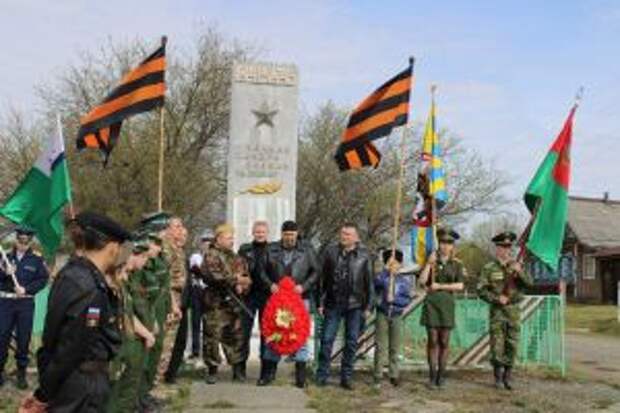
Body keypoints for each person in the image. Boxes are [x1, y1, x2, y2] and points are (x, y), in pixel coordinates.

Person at [21, 211, 131, 412]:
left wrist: (45, 389)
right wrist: (43, 395)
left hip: (74, 381)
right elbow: (71, 347)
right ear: (112, 247)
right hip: (81, 386)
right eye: (121, 246)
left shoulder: (74, 274)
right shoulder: (87, 285)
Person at [316, 223, 374, 390]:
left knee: (351, 342)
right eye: (342, 233)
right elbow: (322, 280)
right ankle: (322, 375)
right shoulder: (330, 252)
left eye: (348, 234)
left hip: (355, 306)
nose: (344, 237)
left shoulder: (364, 256)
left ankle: (346, 378)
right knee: (327, 340)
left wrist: (369, 306)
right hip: (333, 304)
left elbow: (369, 284)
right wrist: (320, 302)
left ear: (356, 238)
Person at [260, 220, 318, 388]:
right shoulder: (270, 249)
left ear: (297, 234)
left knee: (300, 335)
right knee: (274, 333)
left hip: (300, 299)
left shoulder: (307, 250)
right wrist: (270, 284)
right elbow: (261, 270)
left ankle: (301, 377)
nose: (289, 238)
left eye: (292, 235)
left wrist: (304, 286)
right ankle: (268, 374)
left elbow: (316, 271)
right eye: (286, 234)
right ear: (281, 234)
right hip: (277, 299)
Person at [477, 231, 533, 390]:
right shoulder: (489, 268)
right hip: (497, 312)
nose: (506, 250)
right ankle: (498, 377)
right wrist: (496, 298)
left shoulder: (517, 265)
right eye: (502, 247)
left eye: (508, 247)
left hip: (513, 311)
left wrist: (519, 271)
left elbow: (530, 283)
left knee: (512, 344)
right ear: (497, 248)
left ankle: (508, 376)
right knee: (497, 345)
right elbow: (480, 290)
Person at [106, 238, 156, 413]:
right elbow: (125, 316)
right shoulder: (112, 284)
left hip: (127, 339)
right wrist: (146, 333)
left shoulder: (122, 283)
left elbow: (128, 313)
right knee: (117, 392)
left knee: (127, 390)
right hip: (120, 343)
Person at [201, 224, 251, 384]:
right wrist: (236, 280)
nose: (232, 241)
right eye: (229, 238)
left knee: (235, 337)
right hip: (215, 303)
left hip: (233, 304)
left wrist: (243, 285)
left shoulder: (236, 257)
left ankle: (237, 370)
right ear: (219, 238)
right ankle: (212, 370)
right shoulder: (211, 255)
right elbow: (215, 276)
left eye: (232, 238)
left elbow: (246, 276)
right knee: (212, 337)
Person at [0, 227, 49, 389]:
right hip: (6, 303)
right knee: (2, 337)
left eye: (26, 242)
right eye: (20, 241)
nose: (23, 244)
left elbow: (42, 280)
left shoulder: (36, 260)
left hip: (25, 304)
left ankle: (21, 373)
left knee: (23, 338)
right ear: (16, 240)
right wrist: (5, 273)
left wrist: (26, 290)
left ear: (30, 242)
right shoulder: (4, 257)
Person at [418, 228, 466, 388]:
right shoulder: (431, 259)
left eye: (449, 243)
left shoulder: (457, 264)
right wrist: (428, 264)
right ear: (439, 244)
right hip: (432, 303)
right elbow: (422, 281)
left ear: (453, 246)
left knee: (444, 341)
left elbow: (460, 285)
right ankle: (431, 376)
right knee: (432, 340)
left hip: (446, 304)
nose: (445, 246)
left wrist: (441, 285)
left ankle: (441, 377)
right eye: (443, 242)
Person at [237, 221, 272, 383]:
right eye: (257, 232)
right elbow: (238, 269)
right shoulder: (244, 250)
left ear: (267, 233)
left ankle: (265, 372)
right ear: (252, 232)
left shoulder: (273, 250)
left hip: (266, 297)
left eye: (262, 232)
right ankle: (239, 370)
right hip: (248, 297)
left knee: (267, 334)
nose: (260, 234)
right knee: (243, 333)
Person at [373, 249, 412, 387]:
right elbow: (375, 284)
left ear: (400, 265)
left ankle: (394, 374)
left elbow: (407, 299)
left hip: (396, 314)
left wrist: (394, 300)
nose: (393, 266)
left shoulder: (404, 281)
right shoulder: (381, 277)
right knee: (380, 345)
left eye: (396, 263)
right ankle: (377, 374)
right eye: (390, 263)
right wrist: (385, 271)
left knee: (395, 346)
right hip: (382, 313)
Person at [187, 230, 214, 360]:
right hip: (197, 291)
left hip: (210, 291)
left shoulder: (215, 258)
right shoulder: (195, 257)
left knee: (209, 323)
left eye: (209, 242)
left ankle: (209, 350)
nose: (207, 244)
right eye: (204, 242)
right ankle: (195, 349)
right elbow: (196, 271)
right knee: (196, 321)